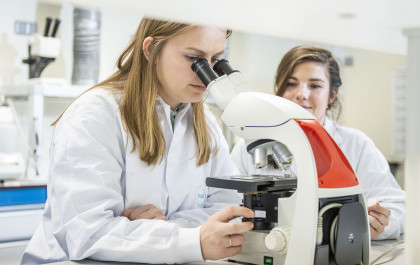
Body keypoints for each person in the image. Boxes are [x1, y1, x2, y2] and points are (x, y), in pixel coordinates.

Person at [21, 18, 254, 264]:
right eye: (193, 59)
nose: (207, 74)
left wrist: (166, 228)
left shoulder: (205, 123)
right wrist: (189, 239)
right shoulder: (94, 115)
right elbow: (87, 233)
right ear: (150, 49)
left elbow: (230, 211)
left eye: (215, 60)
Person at [231, 45, 405, 240]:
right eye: (291, 83)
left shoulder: (357, 145)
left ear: (332, 95)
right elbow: (224, 205)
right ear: (278, 91)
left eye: (315, 85)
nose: (302, 94)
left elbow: (399, 206)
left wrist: (380, 224)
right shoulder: (252, 146)